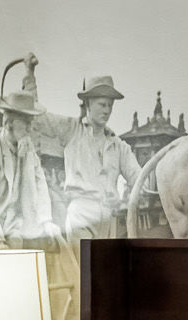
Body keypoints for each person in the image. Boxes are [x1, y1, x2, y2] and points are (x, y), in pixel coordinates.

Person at [0, 69, 60, 244]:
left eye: (31, 122)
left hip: (15, 221)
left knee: (47, 246)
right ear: (9, 123)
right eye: (26, 122)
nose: (30, 128)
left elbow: (40, 182)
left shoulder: (27, 146)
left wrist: (47, 220)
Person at [60, 76, 143, 236]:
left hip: (108, 217)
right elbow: (38, 119)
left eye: (110, 105)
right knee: (84, 260)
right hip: (81, 214)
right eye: (102, 105)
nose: (107, 111)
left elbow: (138, 177)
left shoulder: (118, 146)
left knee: (105, 261)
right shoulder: (72, 131)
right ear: (88, 104)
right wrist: (30, 77)